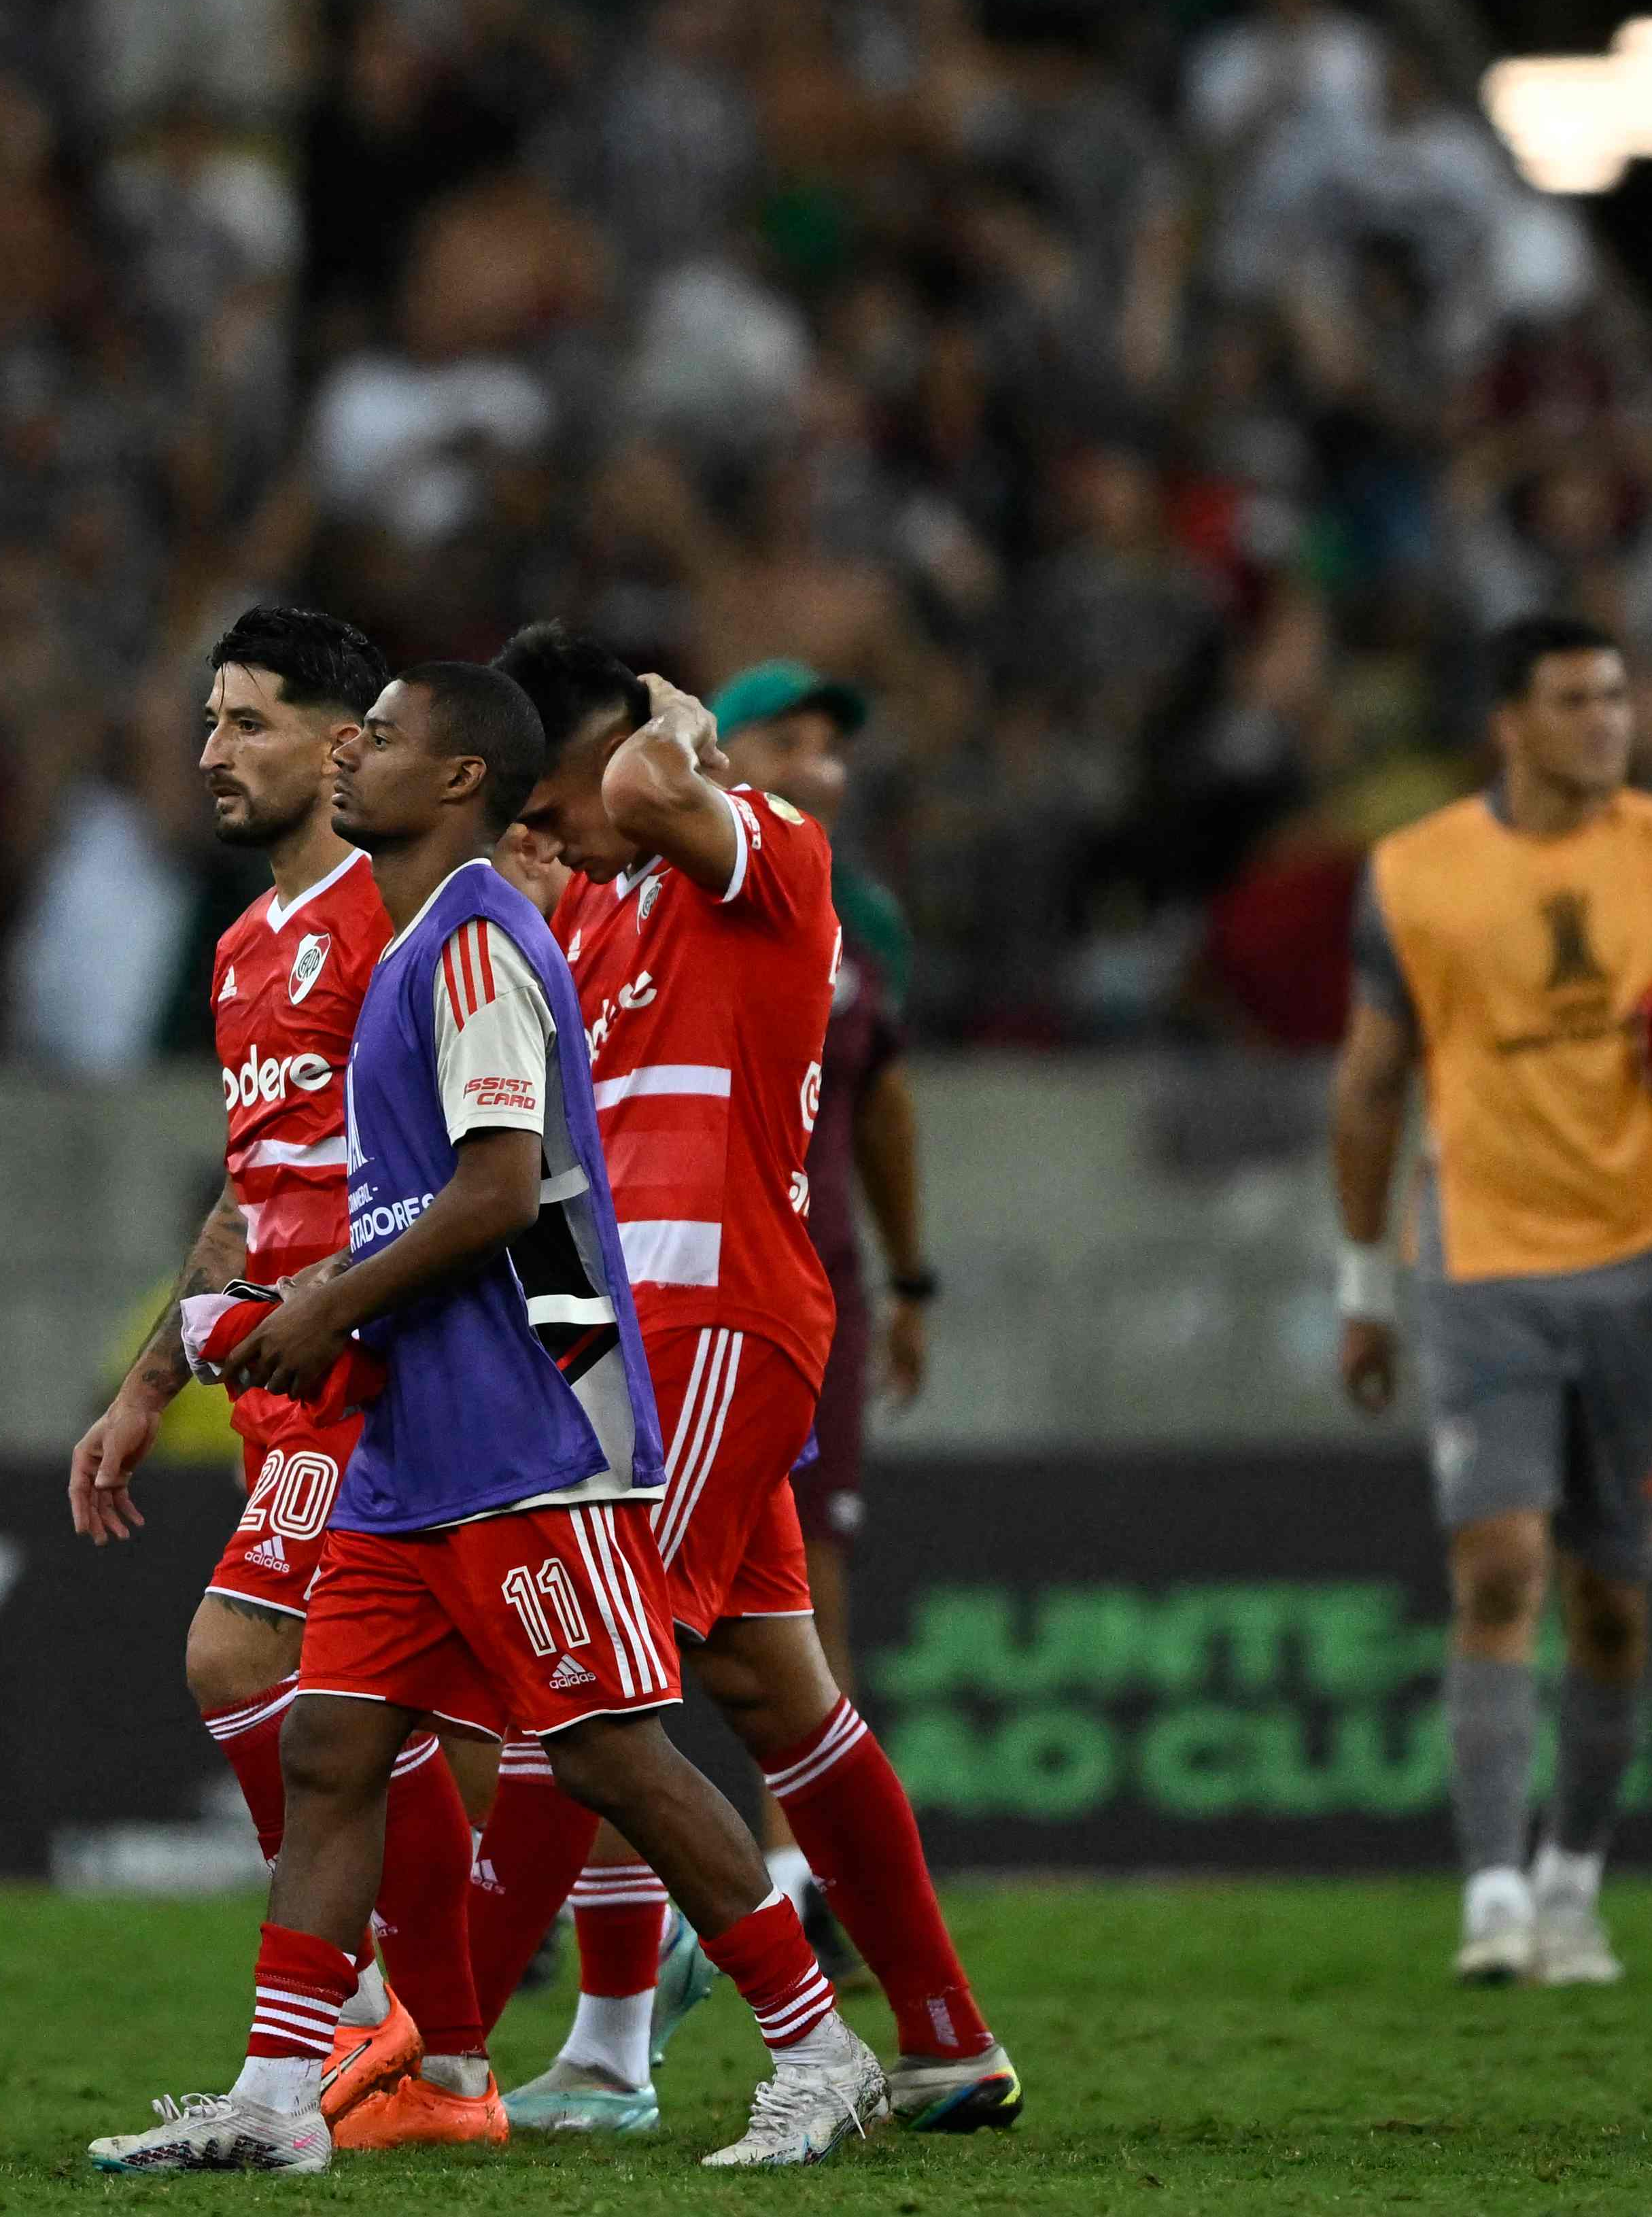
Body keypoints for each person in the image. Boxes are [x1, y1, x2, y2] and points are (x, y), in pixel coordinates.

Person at [86, 662, 884, 2173]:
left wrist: (325, 1307)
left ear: (461, 780)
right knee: (330, 1748)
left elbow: (501, 1192)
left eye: (383, 739)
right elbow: (413, 1202)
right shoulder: (411, 948)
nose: (350, 757)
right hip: (417, 1438)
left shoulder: (471, 945)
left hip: (530, 1426)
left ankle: (817, 2047)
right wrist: (298, 1305)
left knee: (611, 1755)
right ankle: (277, 2098)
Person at [466, 624, 1016, 2139]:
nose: (545, 835)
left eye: (546, 801)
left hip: (715, 1323)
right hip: (624, 1340)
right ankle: (944, 2040)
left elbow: (651, 787)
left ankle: (431, 2054)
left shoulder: (763, 848)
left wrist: (673, 720)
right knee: (784, 1697)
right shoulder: (594, 912)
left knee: (583, 1688)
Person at [1330, 613, 1652, 1988]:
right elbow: (1370, 1084)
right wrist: (1362, 1281)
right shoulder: (1414, 874)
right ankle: (1490, 1892)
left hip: (1646, 1266)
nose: (1607, 722)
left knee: (1611, 1604)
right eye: (1576, 700)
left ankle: (1572, 1881)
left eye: (1616, 698)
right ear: (1509, 723)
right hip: (1481, 1264)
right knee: (1498, 1568)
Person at [66, 607, 465, 2130]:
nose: (210, 753)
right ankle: (450, 2056)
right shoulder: (242, 948)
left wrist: (357, 1306)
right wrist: (144, 1385)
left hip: (376, 1367)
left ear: (345, 744)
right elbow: (248, 1195)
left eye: (247, 723)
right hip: (272, 1376)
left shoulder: (399, 919)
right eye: (208, 722)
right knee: (435, 1723)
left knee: (241, 1660)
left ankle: (359, 2015)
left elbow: (471, 1156)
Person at [711, 662, 934, 1690]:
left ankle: (807, 1806)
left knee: (809, 1575)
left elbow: (879, 1103)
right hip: (676, 1278)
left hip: (815, 1285)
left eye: (829, 748)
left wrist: (910, 1277)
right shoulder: (652, 889)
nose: (817, 768)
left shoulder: (866, 918)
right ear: (715, 762)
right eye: (784, 742)